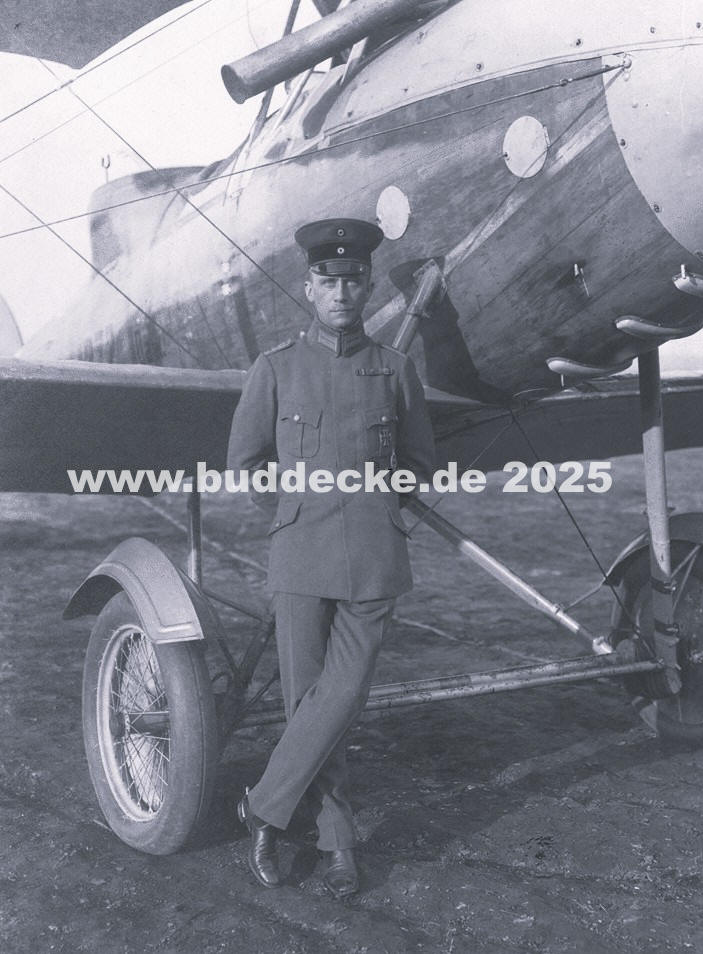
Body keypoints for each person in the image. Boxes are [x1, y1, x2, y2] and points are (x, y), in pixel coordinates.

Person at [227, 217, 435, 898]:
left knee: (340, 697)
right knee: (307, 705)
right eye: (329, 281)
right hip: (299, 557)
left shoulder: (394, 369)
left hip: (374, 556)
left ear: (368, 287)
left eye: (353, 281)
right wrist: (292, 507)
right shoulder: (276, 368)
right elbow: (247, 461)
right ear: (309, 288)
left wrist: (380, 499)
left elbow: (419, 462)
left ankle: (263, 809)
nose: (342, 293)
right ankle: (338, 843)